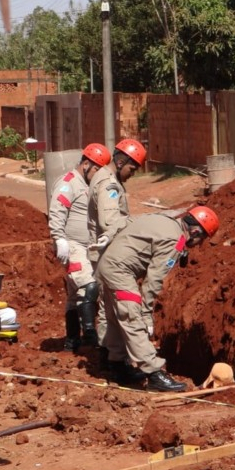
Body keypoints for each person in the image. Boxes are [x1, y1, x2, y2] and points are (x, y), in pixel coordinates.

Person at [95, 206, 220, 392]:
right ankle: (154, 374)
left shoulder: (162, 219)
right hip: (120, 271)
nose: (198, 244)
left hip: (106, 265)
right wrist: (145, 312)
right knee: (132, 318)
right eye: (201, 239)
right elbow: (154, 280)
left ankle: (118, 366)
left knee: (114, 317)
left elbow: (127, 220)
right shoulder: (174, 241)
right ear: (195, 231)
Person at [87, 138, 147, 359]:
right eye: (132, 168)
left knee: (108, 306)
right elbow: (110, 222)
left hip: (107, 253)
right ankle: (112, 357)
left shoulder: (105, 177)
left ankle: (111, 354)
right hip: (108, 254)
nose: (133, 173)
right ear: (121, 161)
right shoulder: (109, 185)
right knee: (110, 309)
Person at [48, 143, 112, 351]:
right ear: (86, 164)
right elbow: (57, 210)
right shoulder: (69, 183)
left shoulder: (88, 184)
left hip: (87, 247)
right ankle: (90, 336)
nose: (97, 175)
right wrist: (59, 238)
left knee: (75, 295)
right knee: (89, 286)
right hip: (72, 245)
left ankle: (72, 340)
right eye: (95, 170)